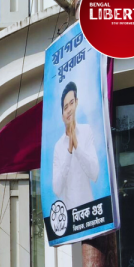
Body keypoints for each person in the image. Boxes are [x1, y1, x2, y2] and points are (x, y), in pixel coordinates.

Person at [52, 81, 99, 210]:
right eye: (65, 107)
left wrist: (77, 146)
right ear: (62, 115)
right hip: (69, 215)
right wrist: (69, 152)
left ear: (77, 102)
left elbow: (95, 173)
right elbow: (56, 189)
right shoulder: (58, 146)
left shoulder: (86, 131)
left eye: (71, 103)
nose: (69, 110)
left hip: (90, 212)